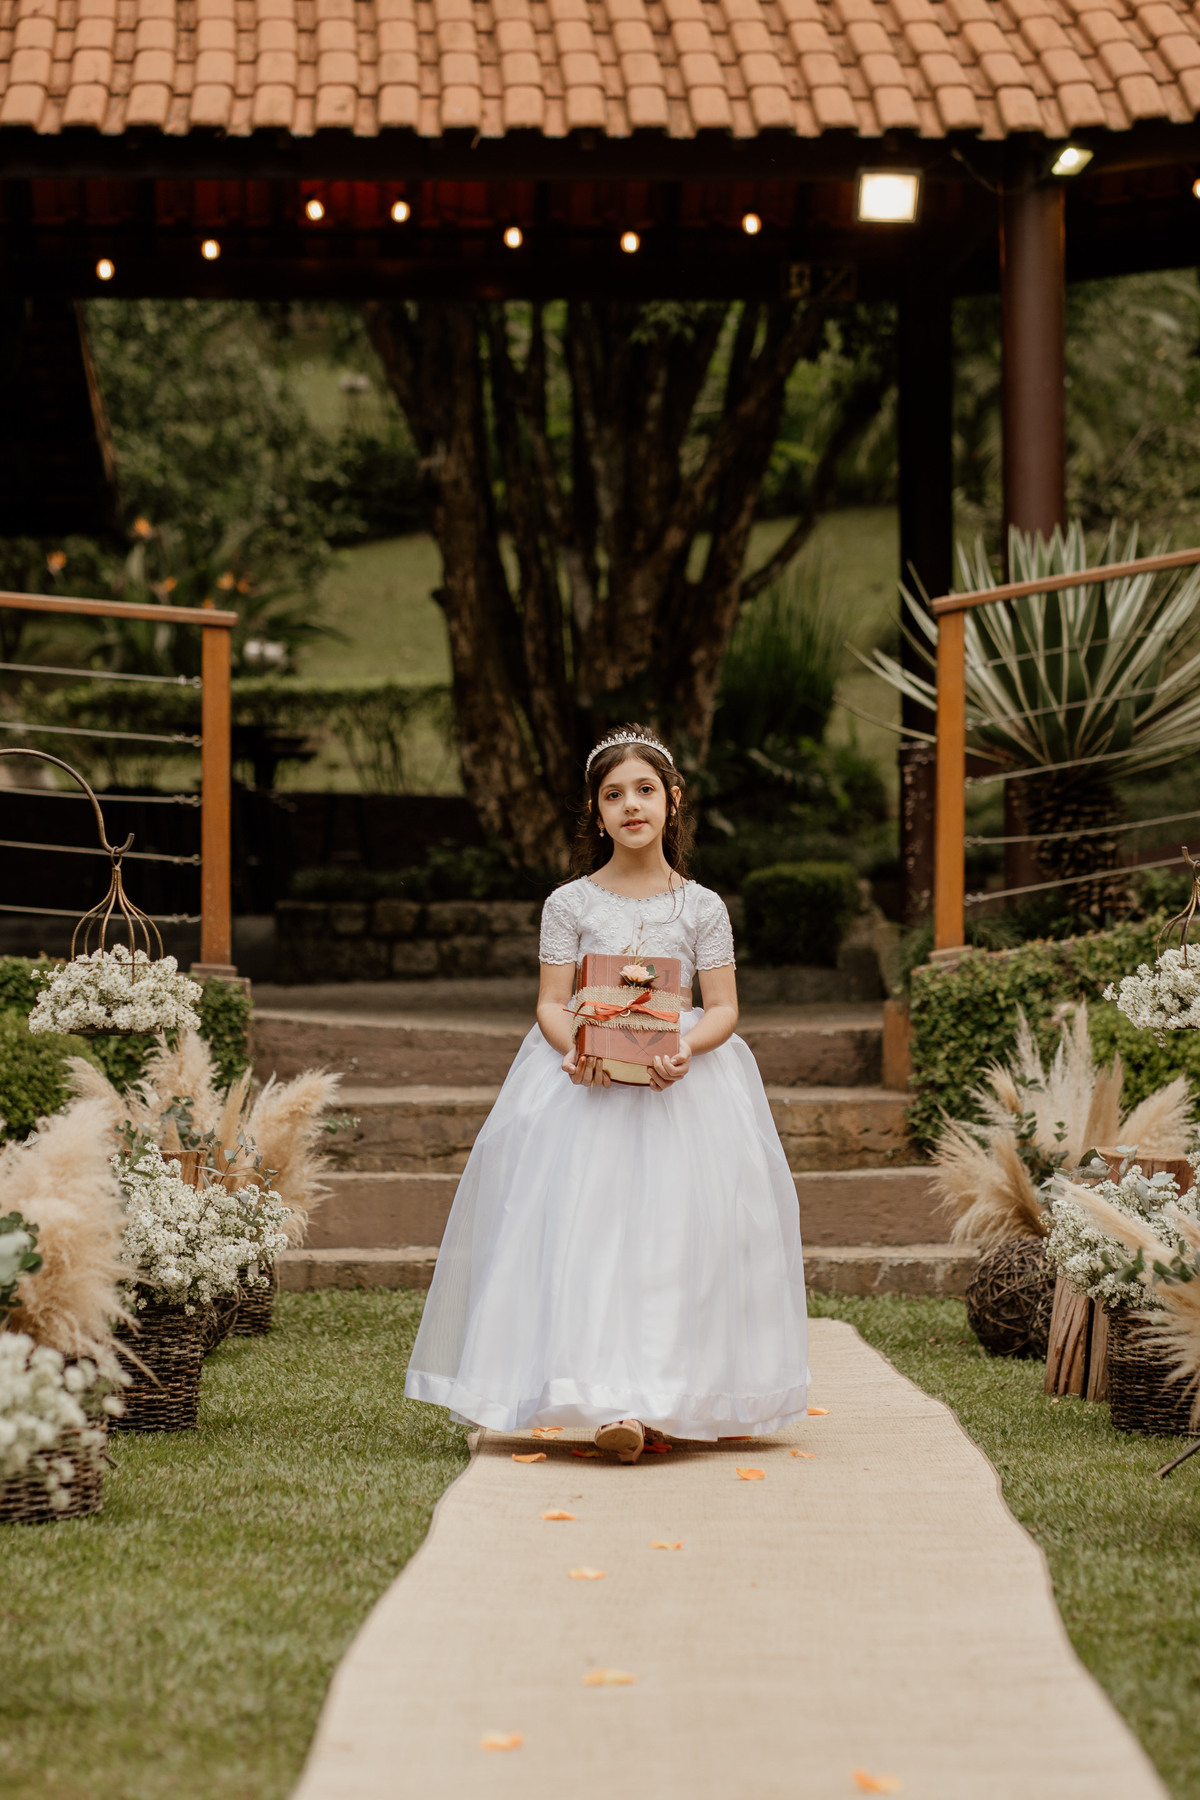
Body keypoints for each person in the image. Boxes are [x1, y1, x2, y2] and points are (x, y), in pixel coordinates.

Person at [404, 724, 809, 1463]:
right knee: (590, 1235)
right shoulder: (570, 903)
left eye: (645, 791)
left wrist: (683, 1046)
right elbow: (552, 1004)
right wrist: (580, 1050)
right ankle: (614, 1400)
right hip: (584, 1091)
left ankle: (670, 1394)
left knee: (678, 1240)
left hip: (682, 1094)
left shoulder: (701, 908)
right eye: (613, 794)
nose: (631, 805)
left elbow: (722, 1008)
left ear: (673, 802)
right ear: (596, 814)